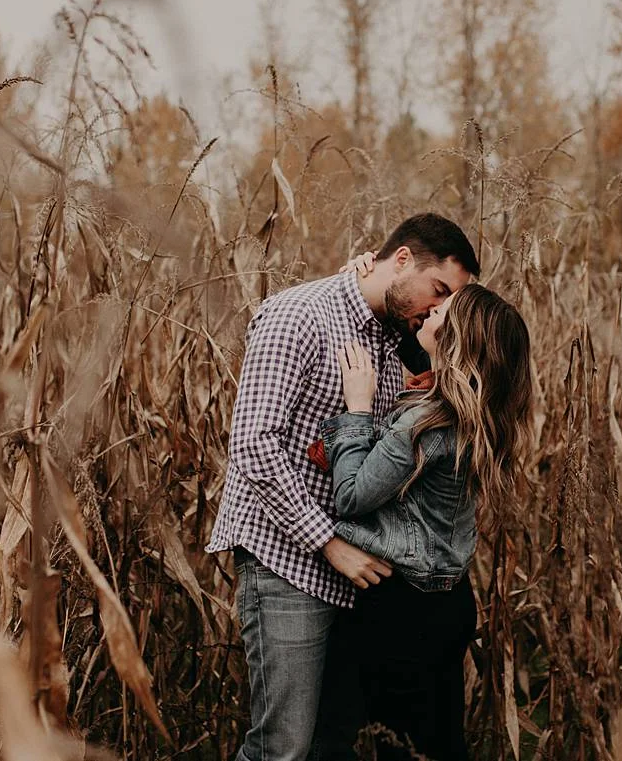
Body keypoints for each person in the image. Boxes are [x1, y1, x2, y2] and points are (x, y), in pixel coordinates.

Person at [206, 214, 480, 761]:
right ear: (402, 259)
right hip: (288, 560)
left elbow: (476, 364)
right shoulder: (297, 315)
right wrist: (328, 543)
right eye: (440, 291)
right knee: (282, 746)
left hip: (357, 575)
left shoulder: (397, 329)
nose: (438, 308)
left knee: (331, 745)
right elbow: (254, 446)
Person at [319, 281, 534, 761]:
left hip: (401, 609)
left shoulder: (426, 424)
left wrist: (357, 407)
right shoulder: (474, 415)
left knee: (393, 746)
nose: (432, 310)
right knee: (437, 742)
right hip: (449, 602)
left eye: (443, 311)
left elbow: (352, 496)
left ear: (456, 338)